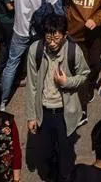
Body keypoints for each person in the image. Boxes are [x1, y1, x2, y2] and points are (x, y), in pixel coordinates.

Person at [26, 13, 89, 182]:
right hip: (44, 112)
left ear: (65, 35)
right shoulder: (36, 51)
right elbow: (31, 86)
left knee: (66, 154)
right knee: (45, 153)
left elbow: (84, 75)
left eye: (57, 39)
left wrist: (67, 82)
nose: (52, 43)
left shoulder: (74, 51)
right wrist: (31, 116)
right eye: (48, 39)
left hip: (65, 113)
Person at [1, 0, 60, 105]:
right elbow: (54, 6)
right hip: (39, 32)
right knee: (42, 64)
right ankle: (41, 96)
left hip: (20, 30)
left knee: (11, 64)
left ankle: (2, 101)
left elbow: (12, 0)